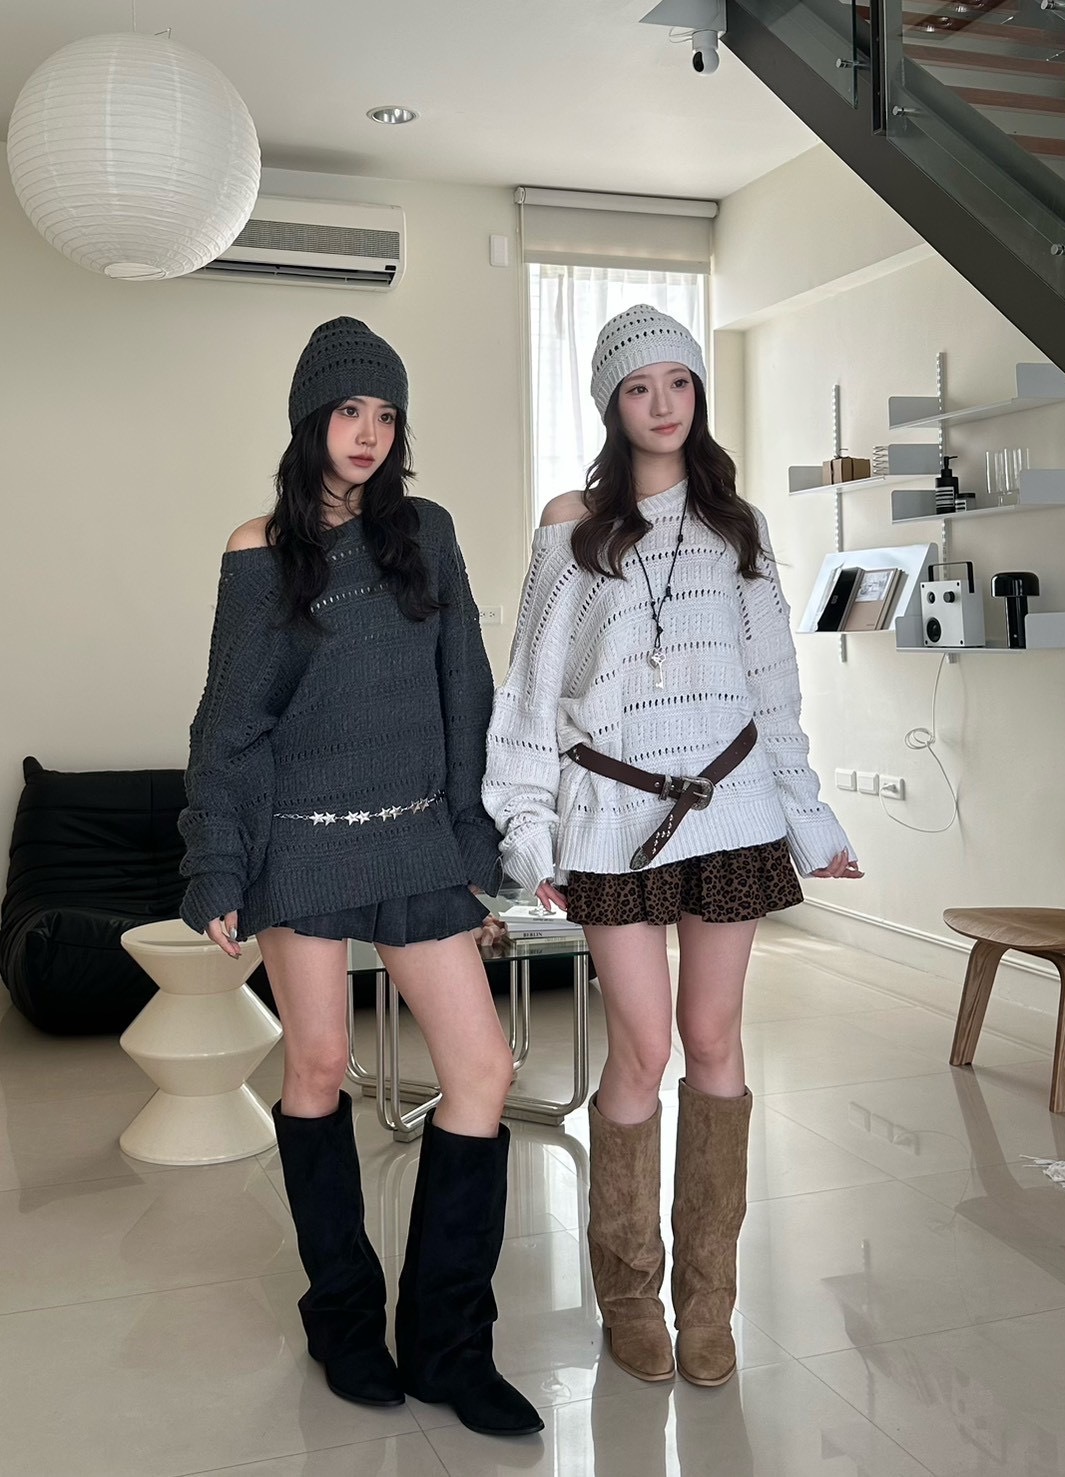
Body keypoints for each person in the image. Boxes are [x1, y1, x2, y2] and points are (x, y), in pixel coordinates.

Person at [483, 304, 862, 1390]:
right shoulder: (572, 525)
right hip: (611, 819)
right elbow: (531, 689)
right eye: (639, 386)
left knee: (715, 1040)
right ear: (612, 402)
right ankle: (627, 1292)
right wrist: (528, 825)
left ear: (697, 393)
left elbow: (774, 691)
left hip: (730, 813)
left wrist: (810, 818)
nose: (662, 404)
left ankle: (708, 1301)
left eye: (678, 382)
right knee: (641, 1051)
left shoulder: (738, 527)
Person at [178, 317, 542, 1438]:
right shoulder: (260, 549)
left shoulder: (425, 534)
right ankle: (342, 1319)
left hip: (417, 838)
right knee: (322, 1061)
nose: (369, 433)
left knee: (482, 1068)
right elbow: (230, 721)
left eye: (386, 414)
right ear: (310, 420)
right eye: (349, 411)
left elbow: (466, 692)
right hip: (302, 841)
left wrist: (475, 843)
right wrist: (218, 859)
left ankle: (448, 1342)